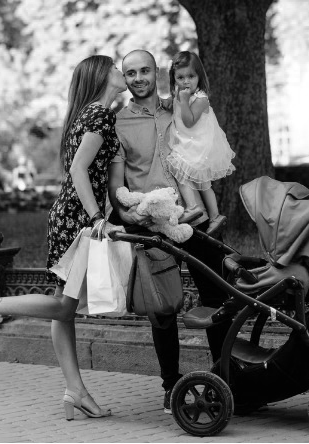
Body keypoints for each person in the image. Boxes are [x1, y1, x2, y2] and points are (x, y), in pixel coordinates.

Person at [0, 55, 127, 420]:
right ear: (102, 75)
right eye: (117, 68)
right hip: (79, 220)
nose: (123, 73)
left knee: (64, 309)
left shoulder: (90, 113)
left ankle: (75, 390)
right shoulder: (99, 115)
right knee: (64, 307)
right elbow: (79, 169)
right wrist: (96, 219)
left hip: (70, 216)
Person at [108, 49, 231, 414]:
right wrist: (133, 217)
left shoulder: (179, 106)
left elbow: (204, 147)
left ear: (157, 72)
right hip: (154, 224)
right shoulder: (118, 123)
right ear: (125, 79)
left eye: (145, 70)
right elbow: (117, 187)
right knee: (162, 310)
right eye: (131, 73)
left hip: (193, 220)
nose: (139, 77)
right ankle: (171, 386)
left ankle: (226, 377)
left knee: (217, 295)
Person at [167, 51, 235, 235]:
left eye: (191, 76)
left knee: (180, 171)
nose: (186, 81)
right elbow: (174, 109)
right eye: (180, 77)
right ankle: (215, 216)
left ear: (199, 77)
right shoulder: (179, 94)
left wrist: (182, 100)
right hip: (188, 142)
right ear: (174, 78)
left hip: (197, 145)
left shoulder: (201, 98)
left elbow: (189, 120)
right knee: (202, 183)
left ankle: (193, 207)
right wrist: (176, 100)